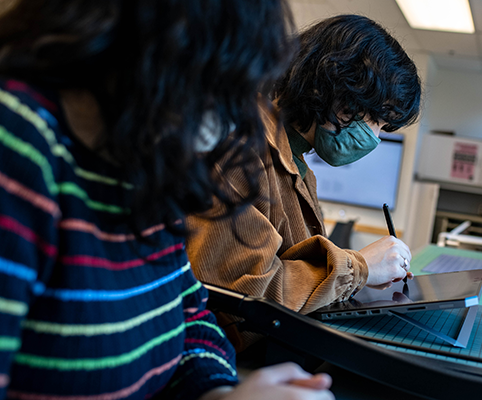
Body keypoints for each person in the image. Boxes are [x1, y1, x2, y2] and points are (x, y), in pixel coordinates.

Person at [0, 0, 333, 399]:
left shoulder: (137, 161)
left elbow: (188, 317)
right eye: (221, 85)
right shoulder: (17, 146)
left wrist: (218, 392)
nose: (231, 121)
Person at [186, 15, 422, 344]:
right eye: (376, 119)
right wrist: (359, 268)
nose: (375, 137)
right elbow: (247, 293)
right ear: (331, 87)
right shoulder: (239, 145)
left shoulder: (300, 168)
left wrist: (359, 280)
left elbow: (295, 272)